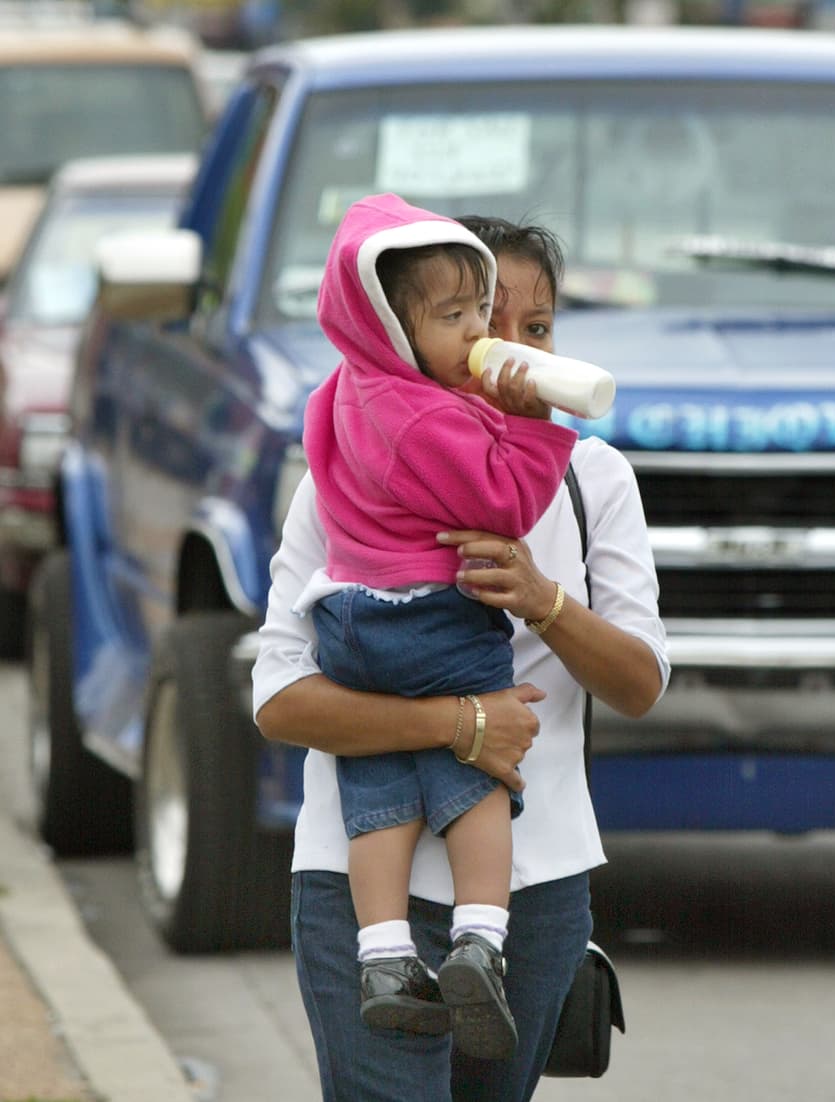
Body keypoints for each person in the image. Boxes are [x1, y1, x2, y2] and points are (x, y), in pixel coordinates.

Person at [253, 214, 668, 1102]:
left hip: (534, 891)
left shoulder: (594, 480)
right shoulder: (344, 476)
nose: (507, 348)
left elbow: (639, 682)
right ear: (415, 336)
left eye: (537, 327)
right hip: (362, 891)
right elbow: (280, 699)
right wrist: (461, 724)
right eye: (479, 320)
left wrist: (543, 601)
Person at [299, 194, 579, 1058]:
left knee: (378, 789)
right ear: (393, 327)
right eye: (457, 319)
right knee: (480, 778)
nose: (482, 337)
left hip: (352, 616)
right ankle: (480, 940)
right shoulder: (430, 416)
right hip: (430, 616)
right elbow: (505, 502)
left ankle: (383, 954)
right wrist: (530, 425)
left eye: (482, 312)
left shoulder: (345, 393)